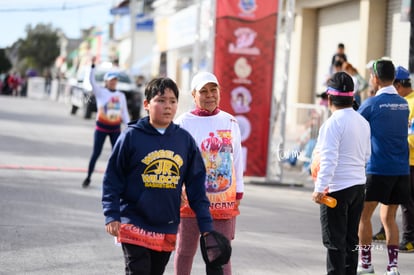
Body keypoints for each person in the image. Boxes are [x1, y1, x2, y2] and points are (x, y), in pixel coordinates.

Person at [102, 77, 214, 275]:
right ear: (147, 104)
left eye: (172, 101)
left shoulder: (184, 141)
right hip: (133, 222)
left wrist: (206, 225)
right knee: (139, 271)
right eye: (161, 100)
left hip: (166, 225)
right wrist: (112, 214)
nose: (168, 106)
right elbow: (113, 178)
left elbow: (196, 187)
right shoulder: (130, 137)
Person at [173, 72, 244, 275]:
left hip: (223, 200)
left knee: (220, 253)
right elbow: (175, 162)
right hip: (191, 201)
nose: (209, 95)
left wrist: (239, 192)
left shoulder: (230, 122)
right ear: (194, 95)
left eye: (214, 90)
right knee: (185, 251)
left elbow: (237, 161)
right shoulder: (182, 123)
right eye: (203, 91)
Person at [312, 72, 371, 275]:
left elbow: (328, 160)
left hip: (336, 190)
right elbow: (366, 156)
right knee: (351, 240)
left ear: (329, 99)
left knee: (335, 244)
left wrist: (319, 189)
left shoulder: (331, 124)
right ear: (352, 98)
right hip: (358, 187)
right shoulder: (363, 122)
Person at [357, 59, 410, 275]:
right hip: (401, 170)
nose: (370, 78)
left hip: (378, 168)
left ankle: (366, 264)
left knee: (364, 216)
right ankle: (392, 266)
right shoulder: (403, 104)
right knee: (389, 218)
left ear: (376, 79)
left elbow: (355, 124)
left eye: (371, 75)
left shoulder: (371, 104)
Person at [372, 65, 414, 253]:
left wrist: (394, 141)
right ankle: (384, 230)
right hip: (400, 160)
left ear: (398, 85)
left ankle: (409, 238)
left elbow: (412, 136)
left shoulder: (410, 103)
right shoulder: (403, 102)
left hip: (410, 161)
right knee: (389, 201)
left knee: (407, 202)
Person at [82, 57, 130, 188]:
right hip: (101, 128)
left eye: (115, 80)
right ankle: (88, 177)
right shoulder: (100, 92)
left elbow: (124, 113)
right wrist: (92, 66)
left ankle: (118, 180)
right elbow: (91, 80)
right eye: (111, 80)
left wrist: (130, 126)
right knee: (96, 153)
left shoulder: (121, 95)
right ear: (106, 82)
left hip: (115, 129)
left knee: (118, 155)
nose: (113, 82)